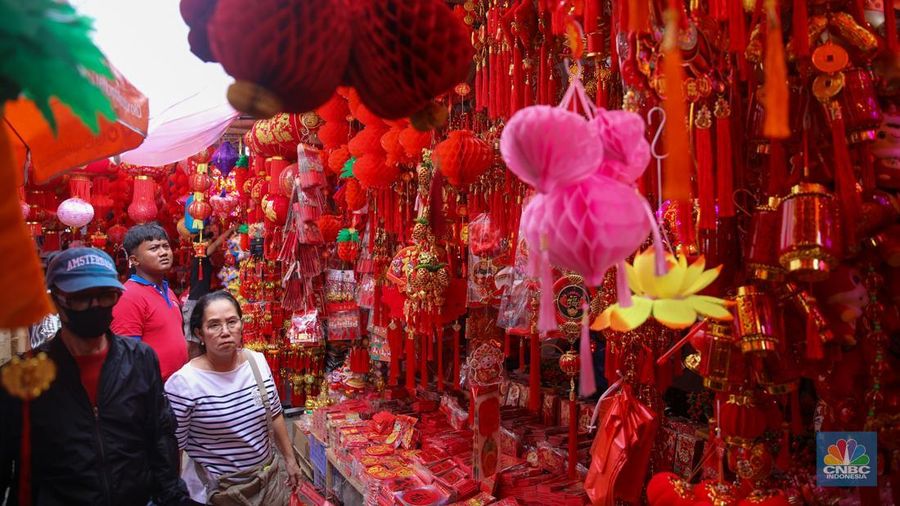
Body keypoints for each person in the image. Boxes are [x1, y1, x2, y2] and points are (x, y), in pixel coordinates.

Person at [0, 248, 189, 505]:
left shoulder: (139, 359)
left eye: (105, 296)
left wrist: (173, 496)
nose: (95, 306)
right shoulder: (23, 375)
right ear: (55, 301)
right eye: (82, 297)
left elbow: (159, 433)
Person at [165, 291, 301, 505]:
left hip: (267, 482)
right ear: (199, 333)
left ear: (241, 325)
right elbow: (175, 448)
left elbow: (274, 415)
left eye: (231, 322)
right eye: (214, 325)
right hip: (218, 492)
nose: (225, 332)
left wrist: (290, 460)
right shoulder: (183, 384)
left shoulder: (257, 363)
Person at [112, 223, 187, 381]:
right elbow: (128, 357)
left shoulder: (168, 291)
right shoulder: (129, 296)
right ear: (134, 260)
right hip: (152, 391)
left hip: (177, 388)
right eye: (154, 248)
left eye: (165, 246)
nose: (163, 253)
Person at [183, 225, 236, 359]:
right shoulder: (202, 256)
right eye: (208, 242)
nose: (210, 244)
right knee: (193, 341)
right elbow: (218, 243)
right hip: (194, 303)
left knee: (199, 340)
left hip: (198, 301)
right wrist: (230, 230)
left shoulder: (201, 259)